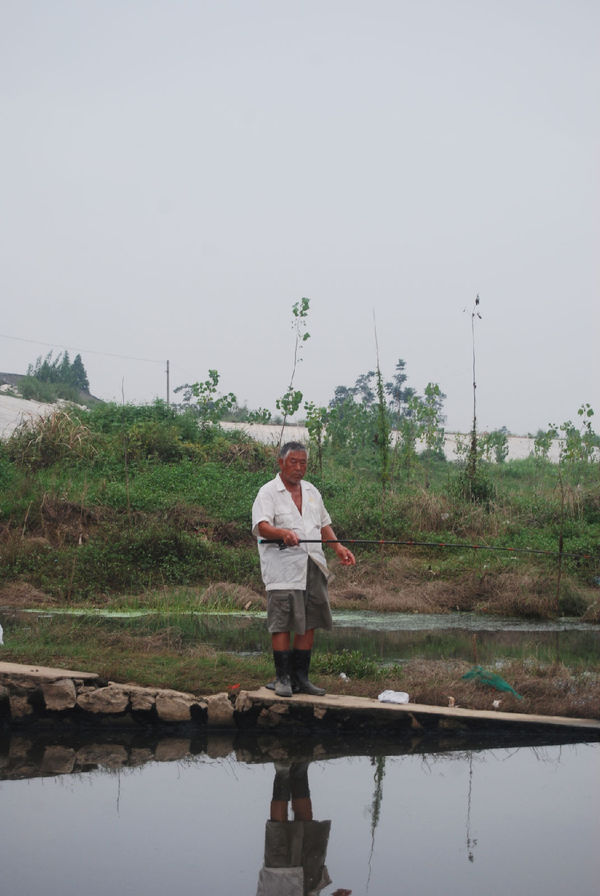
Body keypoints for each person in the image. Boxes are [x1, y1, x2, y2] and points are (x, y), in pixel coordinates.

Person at [252, 441, 356, 697]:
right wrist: (282, 533)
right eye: (293, 462)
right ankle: (282, 679)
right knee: (282, 622)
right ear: (280, 463)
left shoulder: (312, 491)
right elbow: (262, 527)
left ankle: (302, 678)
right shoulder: (268, 492)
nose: (299, 468)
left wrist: (338, 548)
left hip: (313, 563)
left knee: (310, 621)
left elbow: (324, 525)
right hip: (283, 569)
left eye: (303, 463)